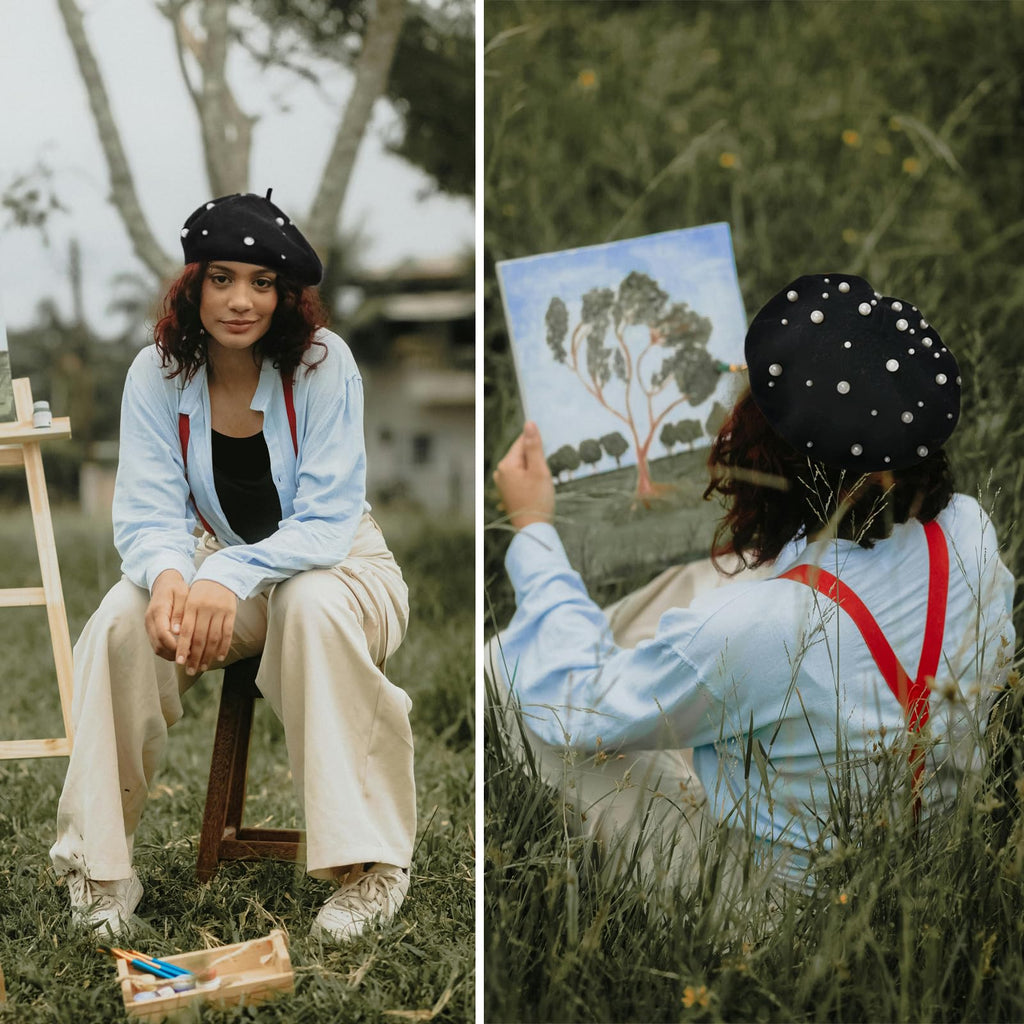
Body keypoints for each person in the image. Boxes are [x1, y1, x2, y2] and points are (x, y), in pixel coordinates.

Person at [490, 273, 1015, 898]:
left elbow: (577, 710)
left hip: (765, 925)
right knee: (702, 584)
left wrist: (534, 531)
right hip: (930, 866)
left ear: (770, 456)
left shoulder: (763, 627)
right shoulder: (969, 531)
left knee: (510, 672)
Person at [51, 191, 415, 942]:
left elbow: (324, 520)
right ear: (194, 286)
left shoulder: (323, 363)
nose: (240, 300)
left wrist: (224, 576)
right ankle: (100, 866)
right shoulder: (156, 373)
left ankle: (371, 867)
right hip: (218, 566)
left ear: (285, 297)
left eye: (260, 283)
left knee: (310, 604)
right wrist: (173, 577)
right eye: (221, 278)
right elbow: (151, 511)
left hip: (344, 565)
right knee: (121, 620)